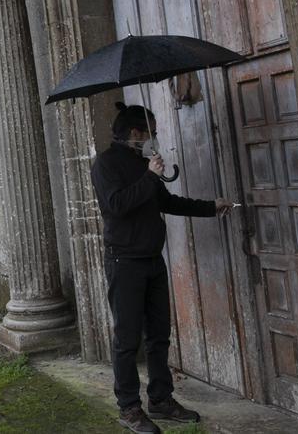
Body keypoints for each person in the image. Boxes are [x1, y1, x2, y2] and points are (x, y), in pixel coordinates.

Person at [91, 102, 233, 434]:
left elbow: (166, 203)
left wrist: (212, 206)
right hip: (124, 263)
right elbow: (116, 206)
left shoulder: (144, 163)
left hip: (152, 261)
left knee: (159, 335)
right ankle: (129, 408)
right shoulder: (106, 164)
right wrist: (149, 176)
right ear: (136, 133)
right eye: (152, 132)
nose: (155, 138)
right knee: (127, 339)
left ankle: (161, 399)